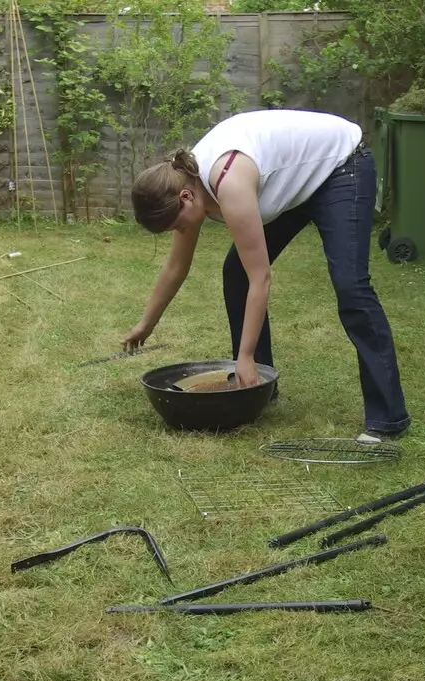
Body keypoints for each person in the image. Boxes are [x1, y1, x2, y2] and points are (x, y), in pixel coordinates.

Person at [123, 109, 410, 441]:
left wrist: (244, 355)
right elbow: (176, 267)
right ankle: (257, 389)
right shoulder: (185, 186)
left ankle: (388, 416)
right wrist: (146, 324)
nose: (182, 231)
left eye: (178, 225)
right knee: (235, 273)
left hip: (340, 167)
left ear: (186, 197)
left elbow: (261, 278)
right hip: (296, 183)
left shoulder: (228, 181)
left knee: (351, 286)